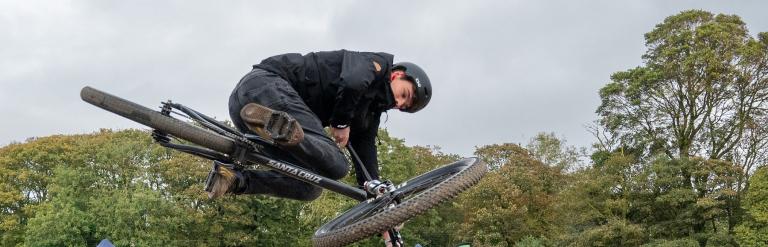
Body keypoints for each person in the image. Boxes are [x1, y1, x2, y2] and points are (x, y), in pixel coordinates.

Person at [206, 50, 432, 201]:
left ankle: (234, 178)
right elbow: (353, 82)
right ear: (397, 75)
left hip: (248, 114)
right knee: (337, 165)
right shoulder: (377, 65)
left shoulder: (367, 117)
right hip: (267, 85)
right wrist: (341, 122)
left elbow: (367, 170)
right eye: (404, 94)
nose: (399, 103)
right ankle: (283, 127)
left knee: (311, 186)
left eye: (403, 106)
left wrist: (385, 211)